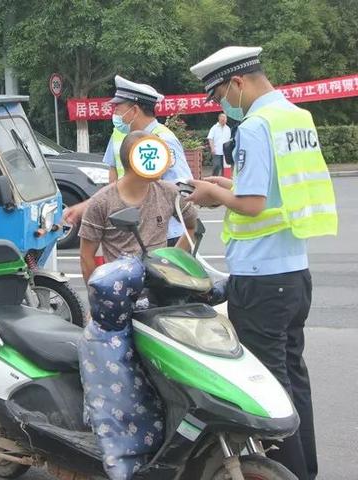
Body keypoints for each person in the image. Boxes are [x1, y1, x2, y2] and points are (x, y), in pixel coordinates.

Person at [188, 46, 337, 480]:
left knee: (269, 392)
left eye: (218, 96)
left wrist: (213, 194)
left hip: (260, 278)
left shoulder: (255, 126)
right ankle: (304, 470)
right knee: (294, 382)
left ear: (237, 83)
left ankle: (282, 474)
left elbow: (251, 205)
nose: (221, 106)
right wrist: (225, 184)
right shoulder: (296, 118)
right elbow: (271, 190)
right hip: (293, 273)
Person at [65, 75, 194, 247]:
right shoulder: (124, 137)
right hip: (139, 231)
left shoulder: (160, 141)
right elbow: (117, 183)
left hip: (166, 235)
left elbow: (183, 188)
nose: (115, 114)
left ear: (134, 110)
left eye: (118, 108)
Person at [78, 131, 197, 282]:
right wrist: (98, 295)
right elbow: (86, 256)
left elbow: (192, 227)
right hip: (120, 293)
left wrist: (171, 263)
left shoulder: (170, 192)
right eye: (152, 157)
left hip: (160, 293)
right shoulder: (101, 202)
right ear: (133, 161)